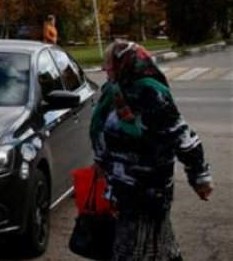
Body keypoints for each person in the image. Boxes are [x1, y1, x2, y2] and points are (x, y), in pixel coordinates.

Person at [91, 41, 213, 260]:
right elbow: (103, 131)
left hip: (147, 192)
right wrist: (102, 161)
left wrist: (200, 177)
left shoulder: (150, 95)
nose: (104, 68)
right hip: (123, 190)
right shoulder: (116, 91)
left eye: (108, 63)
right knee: (158, 248)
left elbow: (185, 138)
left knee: (137, 252)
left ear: (124, 65)